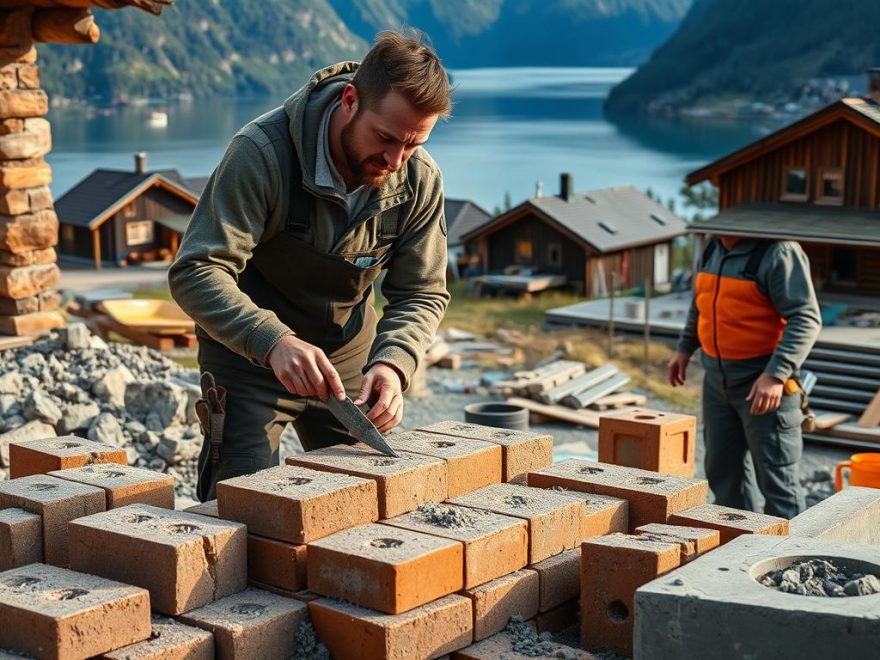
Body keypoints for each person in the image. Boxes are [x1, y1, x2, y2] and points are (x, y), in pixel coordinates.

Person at [169, 30, 452, 501]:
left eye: (413, 144)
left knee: (360, 503)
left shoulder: (419, 178)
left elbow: (422, 292)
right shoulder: (262, 154)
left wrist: (394, 364)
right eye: (384, 138)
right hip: (249, 354)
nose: (395, 159)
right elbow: (196, 271)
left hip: (347, 354)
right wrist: (273, 341)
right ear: (348, 100)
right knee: (242, 506)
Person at [667, 235, 821, 518]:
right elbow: (701, 302)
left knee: (777, 481)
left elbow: (806, 318)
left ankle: (790, 557)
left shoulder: (779, 252)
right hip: (716, 380)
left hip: (763, 380)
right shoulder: (713, 247)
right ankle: (736, 549)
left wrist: (776, 374)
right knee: (724, 474)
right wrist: (685, 348)